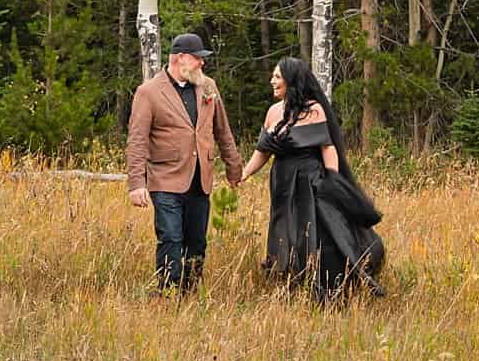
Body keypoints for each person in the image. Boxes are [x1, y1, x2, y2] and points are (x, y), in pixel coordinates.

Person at [239, 57, 386, 302]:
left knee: (318, 232)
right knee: (285, 230)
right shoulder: (272, 112)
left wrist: (333, 181)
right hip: (283, 184)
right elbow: (262, 152)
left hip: (310, 181)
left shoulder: (314, 110)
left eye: (277, 76)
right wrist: (244, 173)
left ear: (291, 80)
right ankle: (291, 282)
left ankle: (327, 287)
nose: (272, 81)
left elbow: (328, 147)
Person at [126, 32, 243, 293]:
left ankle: (189, 294)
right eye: (198, 58)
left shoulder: (208, 86)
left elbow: (223, 131)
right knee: (170, 238)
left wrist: (234, 168)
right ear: (180, 58)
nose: (202, 63)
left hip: (200, 180)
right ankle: (168, 294)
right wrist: (136, 183)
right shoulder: (149, 92)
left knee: (196, 242)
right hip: (165, 179)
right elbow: (137, 140)